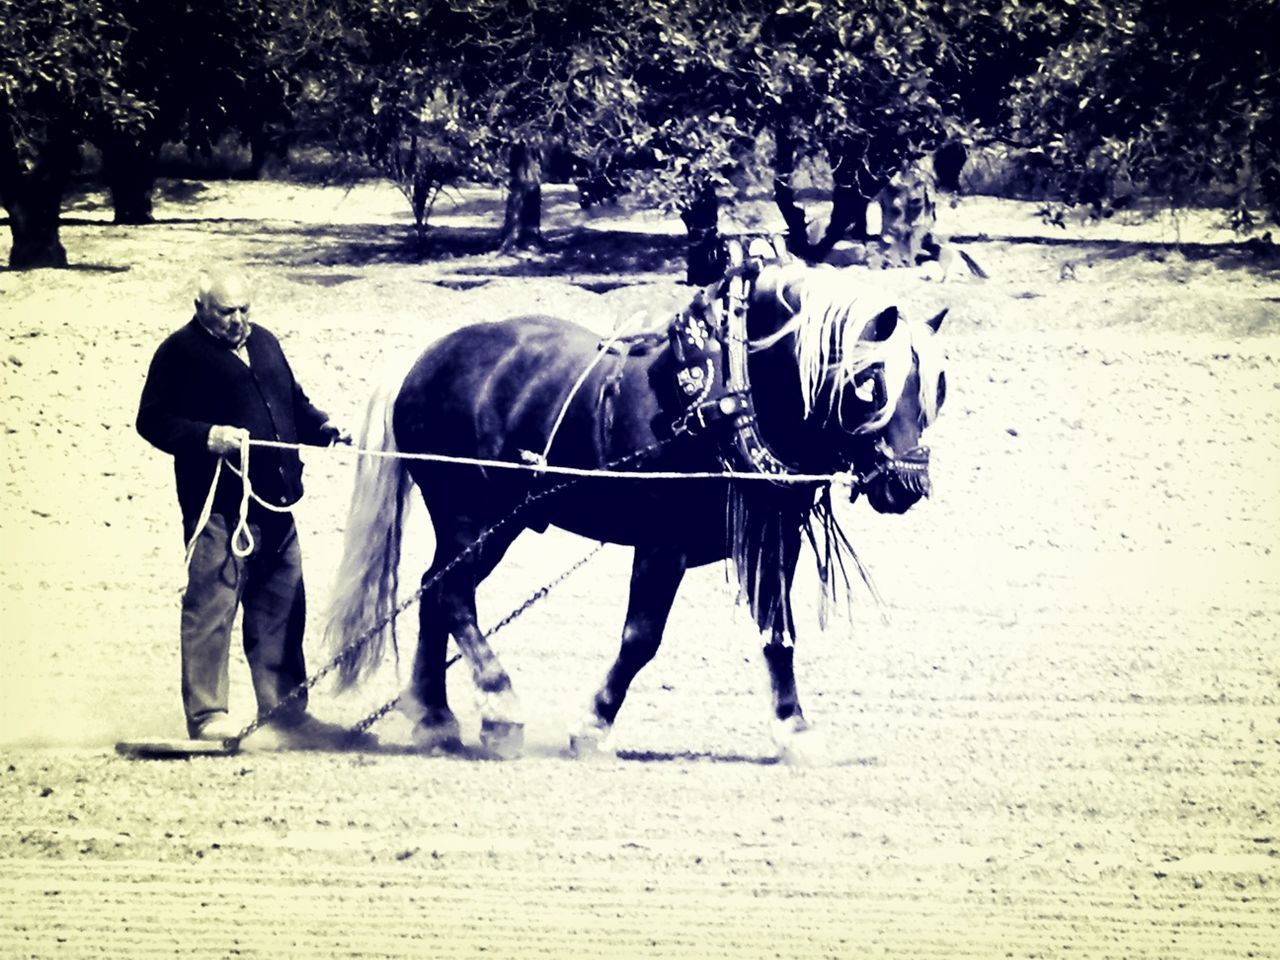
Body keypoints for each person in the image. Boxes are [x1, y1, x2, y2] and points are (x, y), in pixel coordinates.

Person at [137, 267, 352, 747]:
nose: (237, 320)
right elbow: (150, 420)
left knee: (282, 607)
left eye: (243, 310)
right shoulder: (180, 352)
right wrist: (205, 437)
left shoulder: (267, 343)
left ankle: (285, 713)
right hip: (219, 508)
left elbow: (293, 403)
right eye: (225, 312)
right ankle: (208, 716)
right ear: (201, 308)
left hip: (275, 502)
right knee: (211, 609)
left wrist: (324, 426)